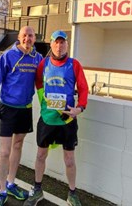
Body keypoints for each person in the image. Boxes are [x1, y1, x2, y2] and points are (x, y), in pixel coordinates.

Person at [23, 30, 89, 206]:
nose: (59, 46)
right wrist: (44, 101)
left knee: (69, 159)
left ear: (67, 44)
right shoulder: (43, 64)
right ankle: (37, 190)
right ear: (51, 44)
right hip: (47, 119)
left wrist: (79, 108)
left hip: (67, 120)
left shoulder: (74, 65)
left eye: (63, 42)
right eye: (56, 42)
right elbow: (37, 82)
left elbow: (83, 88)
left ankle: (72, 193)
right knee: (40, 155)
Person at [0, 26, 43, 206]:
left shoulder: (38, 58)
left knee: (18, 145)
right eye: (24, 35)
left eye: (31, 35)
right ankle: (2, 190)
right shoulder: (8, 56)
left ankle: (11, 183)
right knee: (5, 151)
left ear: (35, 38)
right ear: (19, 38)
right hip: (7, 108)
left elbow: (45, 79)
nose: (28, 38)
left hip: (25, 109)